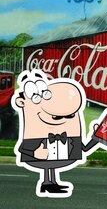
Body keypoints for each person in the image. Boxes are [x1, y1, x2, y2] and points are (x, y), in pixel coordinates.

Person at [12, 69, 97, 198]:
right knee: (48, 165)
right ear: (22, 102)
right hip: (39, 155)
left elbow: (84, 148)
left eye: (70, 115)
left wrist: (97, 137)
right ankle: (47, 183)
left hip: (60, 151)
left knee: (50, 166)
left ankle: (50, 183)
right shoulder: (34, 136)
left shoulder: (70, 138)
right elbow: (21, 148)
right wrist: (34, 153)